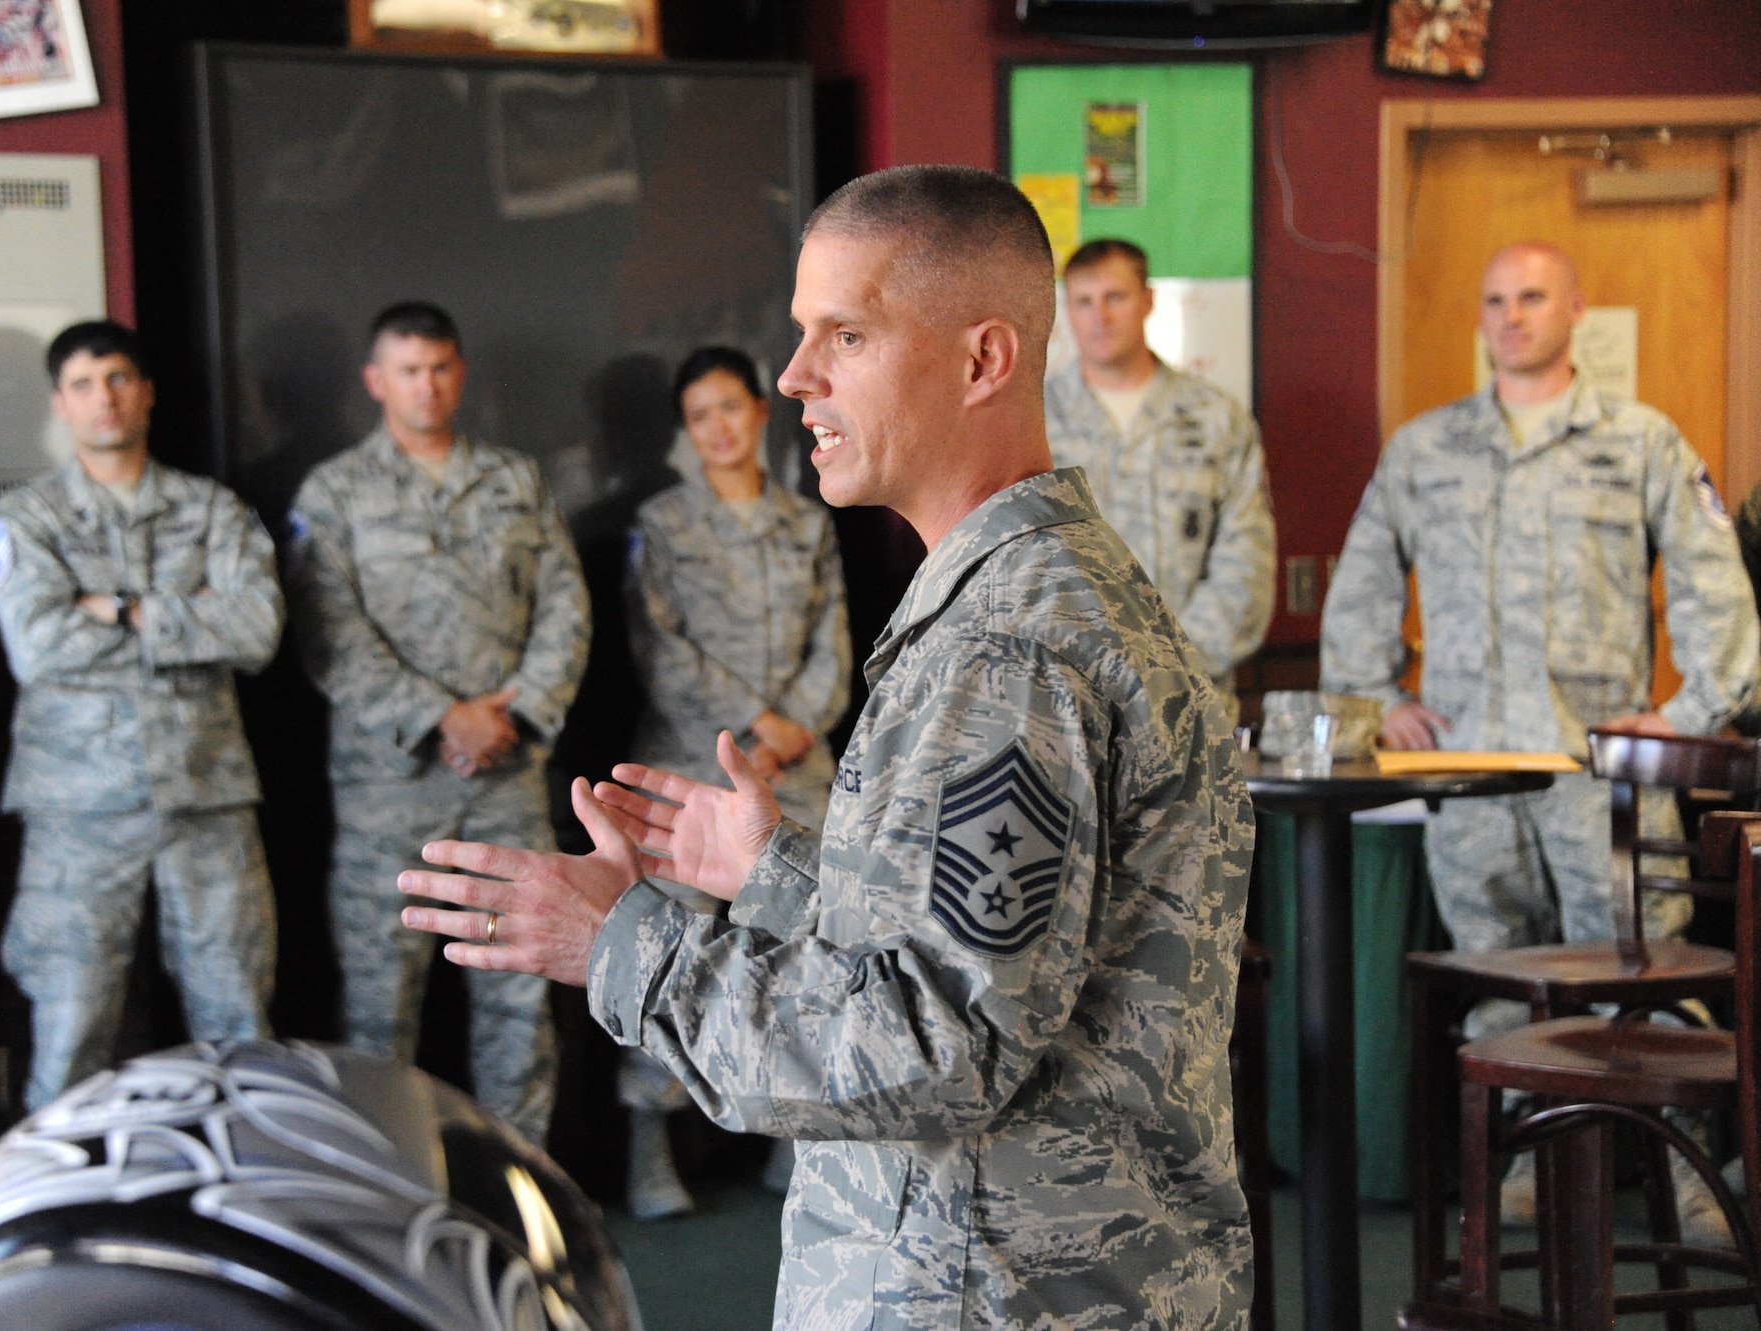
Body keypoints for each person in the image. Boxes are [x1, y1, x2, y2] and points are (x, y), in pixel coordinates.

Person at [398, 166, 1253, 1328]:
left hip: (988, 1291)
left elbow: (932, 1047)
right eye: (802, 336)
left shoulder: (1005, 648)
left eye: (844, 334)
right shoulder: (1037, 592)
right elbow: (1006, 954)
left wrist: (618, 941)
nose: (795, 377)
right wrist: (778, 871)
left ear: (981, 359)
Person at [1321, 242, 1759, 1234]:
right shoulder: (1424, 449)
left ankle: (1691, 1180)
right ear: (1477, 319)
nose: (1510, 316)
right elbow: (1360, 581)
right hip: (1468, 770)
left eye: (1530, 297)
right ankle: (1530, 1165)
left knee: (1646, 971)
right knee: (1493, 972)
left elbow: (1709, 583)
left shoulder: (1638, 439)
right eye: (1493, 301)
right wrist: (1373, 691)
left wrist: (1691, 712)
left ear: (1573, 311)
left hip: (1593, 774)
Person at [286, 303, 589, 1146]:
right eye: (409, 370)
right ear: (377, 381)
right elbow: (330, 633)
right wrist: (439, 716)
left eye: (442, 367)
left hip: (507, 777)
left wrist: (516, 710)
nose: (428, 384)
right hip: (391, 789)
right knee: (383, 1000)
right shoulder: (335, 492)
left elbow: (565, 602)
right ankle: (380, 1185)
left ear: (460, 373)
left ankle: (522, 1184)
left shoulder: (516, 479)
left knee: (520, 990)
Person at [0, 320, 284, 1113]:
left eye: (117, 378)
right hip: (78, 807)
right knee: (71, 1026)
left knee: (238, 1019)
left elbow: (256, 629)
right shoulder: (27, 518)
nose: (103, 398)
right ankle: (58, 1217)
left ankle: (247, 1206)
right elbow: (38, 646)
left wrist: (115, 609)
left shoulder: (214, 509)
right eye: (83, 385)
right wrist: (185, 616)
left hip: (205, 793)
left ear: (144, 391)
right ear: (59, 403)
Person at [617, 345, 851, 1218]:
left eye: (730, 407)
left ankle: (803, 1141)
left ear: (760, 410)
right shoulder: (662, 523)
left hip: (801, 770)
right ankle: (651, 1144)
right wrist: (750, 729)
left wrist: (794, 725)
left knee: (809, 952)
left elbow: (834, 641)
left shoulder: (809, 518)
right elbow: (660, 649)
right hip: (693, 772)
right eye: (699, 415)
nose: (718, 427)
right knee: (673, 951)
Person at [1044, 238, 1276, 720]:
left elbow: (1246, 567)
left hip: (1191, 703)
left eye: (1116, 297)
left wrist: (1164, 667)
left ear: (1148, 300)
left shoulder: (1215, 419)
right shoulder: (1032, 422)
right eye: (1083, 301)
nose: (1098, 317)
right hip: (1062, 702)